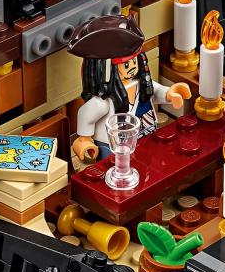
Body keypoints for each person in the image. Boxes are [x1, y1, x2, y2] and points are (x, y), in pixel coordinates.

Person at [68, 15, 191, 162]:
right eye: (126, 64)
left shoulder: (141, 85)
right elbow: (85, 114)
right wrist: (84, 139)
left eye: (134, 61)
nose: (132, 67)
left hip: (147, 138)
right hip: (115, 149)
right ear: (106, 70)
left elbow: (155, 91)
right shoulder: (104, 102)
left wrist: (170, 93)